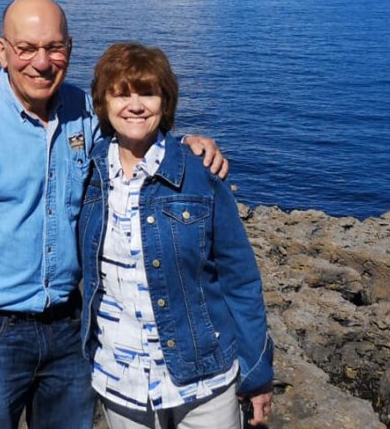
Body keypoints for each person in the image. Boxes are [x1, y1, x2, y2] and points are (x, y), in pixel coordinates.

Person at [0, 0, 228, 429]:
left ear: (69, 50)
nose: (41, 62)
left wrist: (186, 146)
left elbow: (136, 133)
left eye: (54, 48)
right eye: (26, 49)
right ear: (2, 52)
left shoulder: (85, 112)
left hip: (72, 331)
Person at [79, 42, 273, 429]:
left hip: (204, 382)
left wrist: (256, 375)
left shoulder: (199, 173)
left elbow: (240, 280)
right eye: (122, 93)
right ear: (103, 102)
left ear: (165, 102)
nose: (135, 105)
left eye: (147, 93)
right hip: (120, 382)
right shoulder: (86, 174)